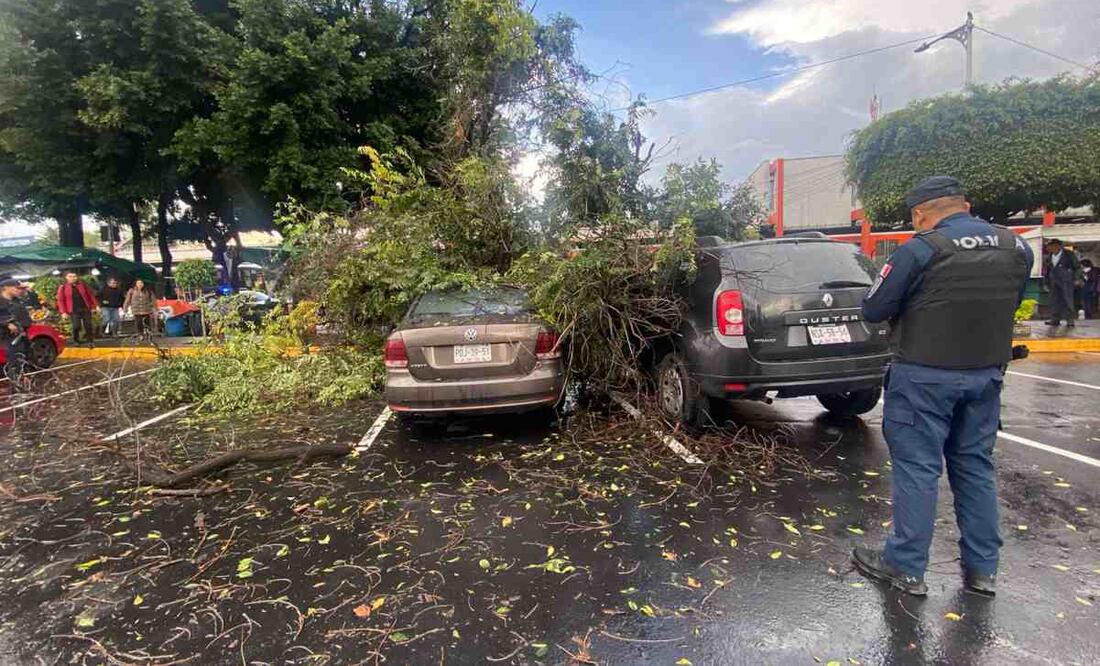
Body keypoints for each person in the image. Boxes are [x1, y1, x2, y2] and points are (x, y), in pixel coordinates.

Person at [854, 176, 1032, 598]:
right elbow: (1011, 297)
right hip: (985, 375)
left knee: (918, 469)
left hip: (923, 376)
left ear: (919, 214)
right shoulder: (1015, 247)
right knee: (974, 466)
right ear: (965, 205)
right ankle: (983, 571)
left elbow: (875, 308)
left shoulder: (920, 250)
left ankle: (906, 566)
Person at [0, 278, 33, 388]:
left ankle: (22, 382)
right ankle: (17, 387)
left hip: (21, 334)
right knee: (14, 361)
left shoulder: (16, 300)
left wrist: (26, 290)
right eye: (15, 287)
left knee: (22, 359)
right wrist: (6, 323)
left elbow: (30, 301)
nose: (18, 290)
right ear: (5, 288)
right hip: (7, 336)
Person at [56, 271, 97, 347]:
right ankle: (76, 340)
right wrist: (63, 312)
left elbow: (90, 296)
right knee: (76, 326)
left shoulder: (82, 285)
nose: (72, 278)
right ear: (66, 277)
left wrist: (94, 306)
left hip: (85, 308)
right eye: (70, 276)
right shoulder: (63, 287)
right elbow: (60, 300)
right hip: (73, 309)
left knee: (88, 325)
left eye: (74, 276)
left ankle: (90, 341)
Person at [1044, 239, 1079, 327]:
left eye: (1050, 246)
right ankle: (1055, 319)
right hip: (1054, 281)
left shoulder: (1068, 254)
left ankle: (1070, 320)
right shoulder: (1049, 256)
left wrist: (1076, 279)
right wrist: (1046, 283)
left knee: (1068, 300)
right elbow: (1047, 271)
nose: (1048, 248)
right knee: (1054, 301)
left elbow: (1077, 267)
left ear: (1057, 246)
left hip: (1066, 281)